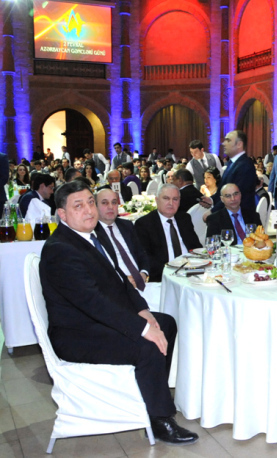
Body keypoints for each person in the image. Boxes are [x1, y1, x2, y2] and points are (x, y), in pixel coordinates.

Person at [40, 180, 198, 445]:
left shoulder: (91, 236)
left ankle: (149, 394)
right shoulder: (61, 250)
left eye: (91, 202)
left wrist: (143, 310)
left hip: (94, 321)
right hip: (78, 334)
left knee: (166, 323)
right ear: (62, 214)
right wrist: (143, 328)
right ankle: (160, 418)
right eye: (78, 206)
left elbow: (119, 281)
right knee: (147, 343)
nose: (89, 210)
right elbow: (95, 303)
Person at [134, 184, 201, 282]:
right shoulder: (145, 223)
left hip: (191, 272)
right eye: (166, 198)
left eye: (175, 199)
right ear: (157, 200)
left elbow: (196, 247)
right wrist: (173, 270)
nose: (171, 203)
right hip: (164, 275)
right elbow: (146, 258)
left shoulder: (184, 218)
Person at [95, 188, 150, 291]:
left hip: (143, 284)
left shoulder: (127, 225)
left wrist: (143, 273)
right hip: (116, 290)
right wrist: (122, 281)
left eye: (114, 202)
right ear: (95, 206)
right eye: (104, 203)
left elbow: (141, 253)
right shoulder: (93, 234)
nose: (110, 207)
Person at [206, 130, 258, 217]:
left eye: (228, 140)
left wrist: (212, 212)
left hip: (240, 217)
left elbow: (234, 197)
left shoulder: (245, 165)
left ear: (239, 144)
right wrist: (211, 200)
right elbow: (223, 189)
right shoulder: (232, 163)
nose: (223, 143)